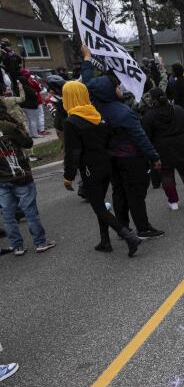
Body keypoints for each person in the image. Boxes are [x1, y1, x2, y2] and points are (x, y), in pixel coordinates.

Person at [81, 45, 165, 239]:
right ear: (110, 91)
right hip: (130, 157)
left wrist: (87, 59)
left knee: (118, 192)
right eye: (116, 86)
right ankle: (143, 228)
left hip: (110, 159)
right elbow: (140, 137)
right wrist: (154, 157)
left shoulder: (93, 107)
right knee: (135, 194)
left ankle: (123, 227)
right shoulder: (123, 113)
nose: (119, 87)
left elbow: (87, 83)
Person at [62, 81, 141, 256]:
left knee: (98, 206)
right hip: (106, 164)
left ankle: (128, 236)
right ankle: (105, 241)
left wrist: (69, 176)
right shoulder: (95, 114)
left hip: (90, 168)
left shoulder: (71, 121)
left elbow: (73, 152)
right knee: (100, 203)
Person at [0, 100, 55, 256]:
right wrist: (20, 127)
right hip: (20, 175)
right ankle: (40, 242)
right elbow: (27, 142)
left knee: (8, 214)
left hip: (2, 179)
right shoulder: (8, 126)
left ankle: (17, 245)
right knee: (30, 210)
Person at [141, 88, 184, 211]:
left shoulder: (149, 116)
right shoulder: (178, 109)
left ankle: (173, 201)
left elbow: (146, 136)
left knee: (166, 175)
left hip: (162, 150)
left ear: (153, 100)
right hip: (181, 146)